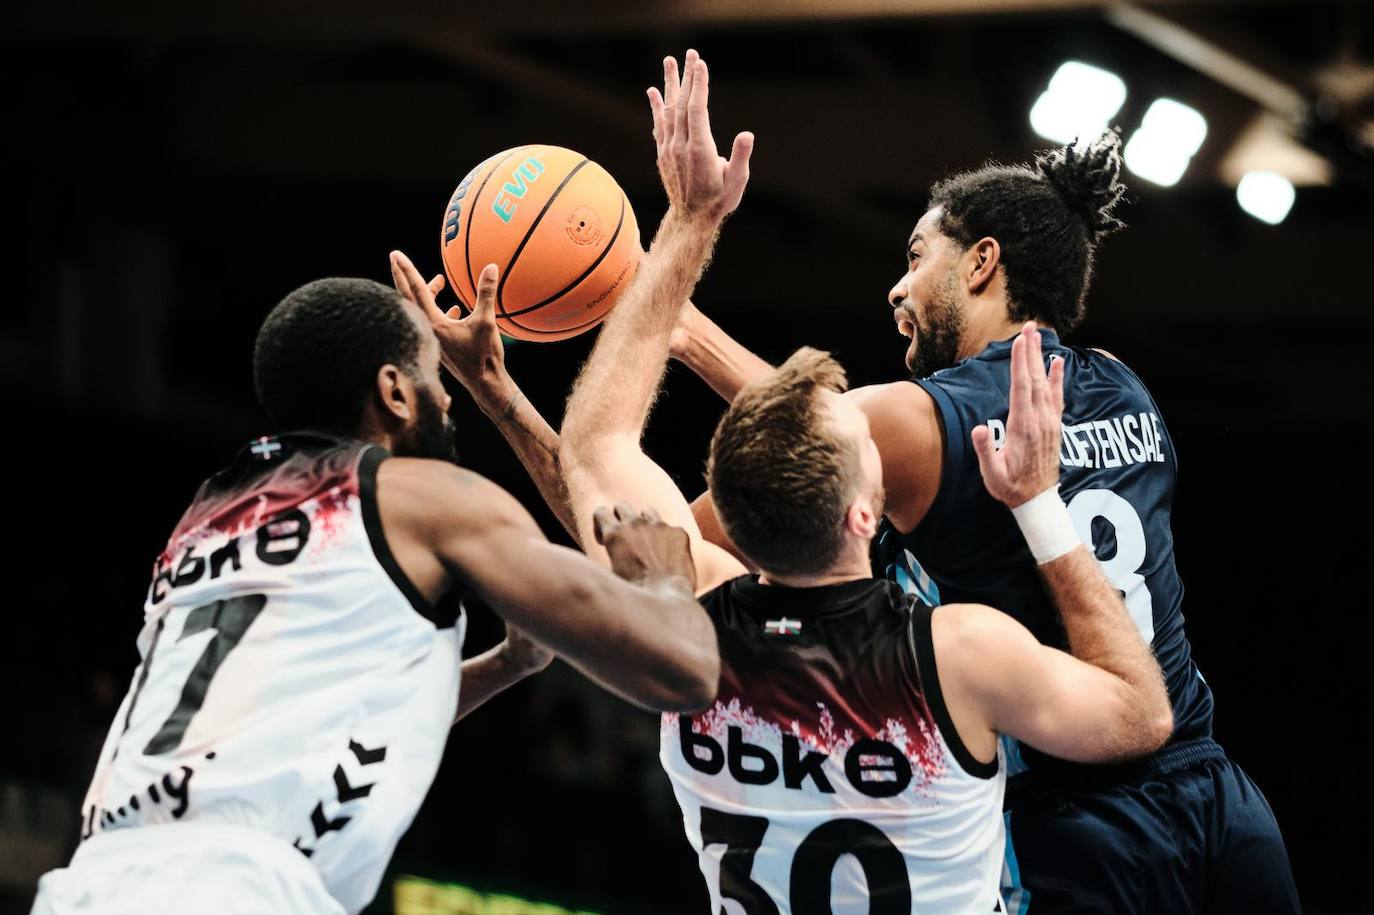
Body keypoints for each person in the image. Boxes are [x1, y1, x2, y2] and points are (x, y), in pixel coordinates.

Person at [412, 49, 1173, 913]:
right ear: (867, 505)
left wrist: (504, 389)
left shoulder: (688, 635)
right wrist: (1036, 504)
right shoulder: (958, 653)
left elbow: (600, 461)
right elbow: (1144, 715)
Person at [664, 87, 1300, 915]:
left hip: (1084, 821)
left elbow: (790, 453)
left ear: (981, 262)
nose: (897, 289)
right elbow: (843, 428)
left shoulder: (916, 421)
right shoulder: (1120, 385)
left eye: (916, 256)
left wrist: (673, 320)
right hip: (1218, 793)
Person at [30, 271, 720, 915]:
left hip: (91, 880)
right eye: (430, 373)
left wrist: (507, 664)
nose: (447, 396)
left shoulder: (210, 516)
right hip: (233, 887)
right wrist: (664, 574)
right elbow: (684, 667)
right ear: (394, 390)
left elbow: (328, 707)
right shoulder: (422, 498)